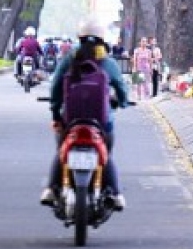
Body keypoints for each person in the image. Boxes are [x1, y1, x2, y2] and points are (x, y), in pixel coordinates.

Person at [40, 19, 130, 210]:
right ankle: (115, 192)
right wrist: (122, 102)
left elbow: (56, 87)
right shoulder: (108, 62)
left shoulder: (70, 59)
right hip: (102, 123)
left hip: (70, 121)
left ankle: (51, 188)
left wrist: (56, 114)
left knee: (61, 151)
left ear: (79, 37)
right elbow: (121, 88)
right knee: (106, 154)